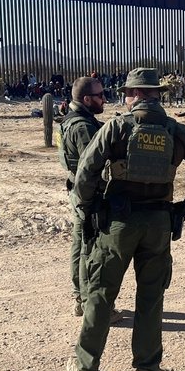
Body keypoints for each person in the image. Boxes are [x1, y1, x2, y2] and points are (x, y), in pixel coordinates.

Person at [66, 67, 185, 371]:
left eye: (126, 92)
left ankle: (86, 365)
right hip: (158, 224)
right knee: (150, 298)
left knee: (100, 293)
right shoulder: (177, 131)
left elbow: (85, 175)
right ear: (156, 94)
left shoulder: (115, 128)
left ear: (135, 95)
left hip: (117, 225)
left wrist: (91, 208)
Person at [58, 76, 112, 318]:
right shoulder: (82, 127)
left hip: (77, 192)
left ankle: (80, 298)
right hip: (88, 195)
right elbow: (92, 166)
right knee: (90, 249)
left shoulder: (72, 120)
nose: (104, 99)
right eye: (100, 95)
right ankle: (92, 305)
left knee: (80, 244)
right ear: (87, 99)